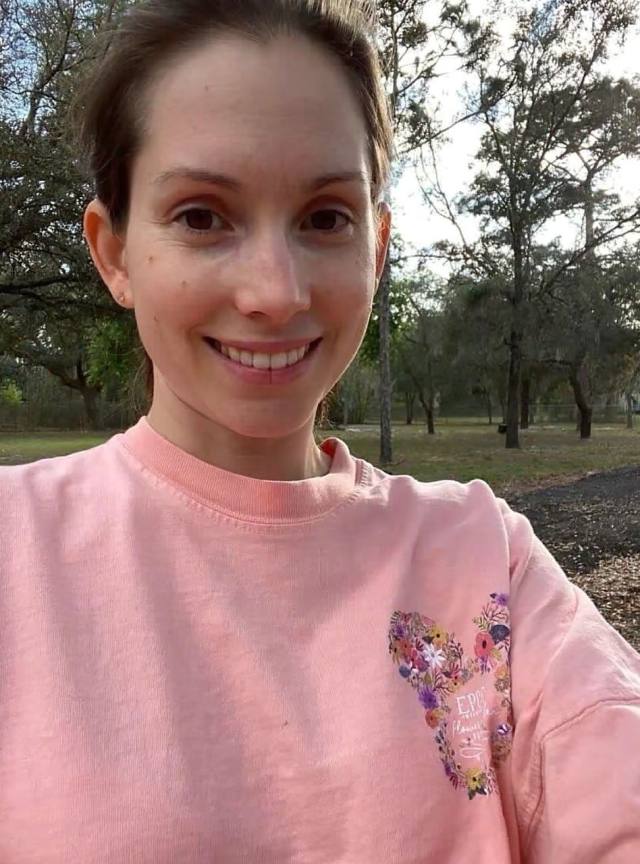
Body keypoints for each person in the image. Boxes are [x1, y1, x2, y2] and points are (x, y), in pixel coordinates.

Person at [0, 1, 638, 861]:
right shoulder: (15, 548)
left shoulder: (486, 558)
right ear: (113, 252)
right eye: (201, 216)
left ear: (376, 249)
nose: (276, 292)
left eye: (326, 217)